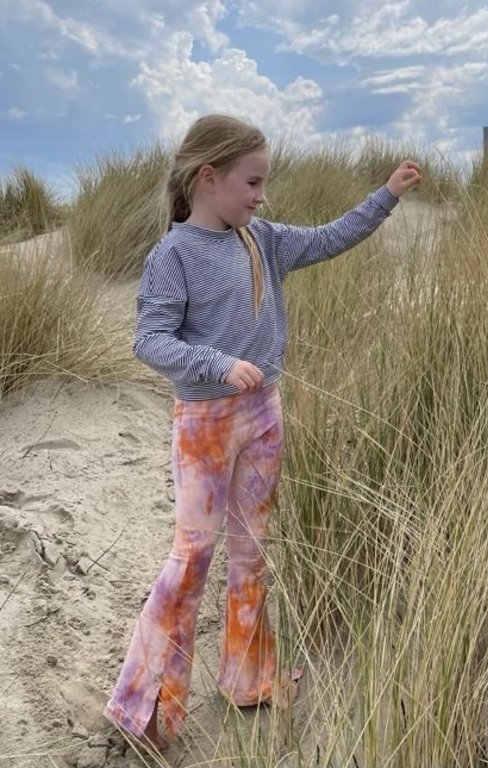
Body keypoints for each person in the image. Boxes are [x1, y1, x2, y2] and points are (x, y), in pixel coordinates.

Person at [103, 113, 422, 752]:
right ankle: (142, 707)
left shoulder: (265, 240)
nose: (261, 195)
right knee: (193, 555)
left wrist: (385, 197)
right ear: (207, 177)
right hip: (205, 424)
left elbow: (332, 237)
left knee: (254, 551)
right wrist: (219, 364)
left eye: (264, 183)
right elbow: (149, 340)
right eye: (251, 182)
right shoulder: (173, 255)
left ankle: (248, 677)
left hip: (265, 415)